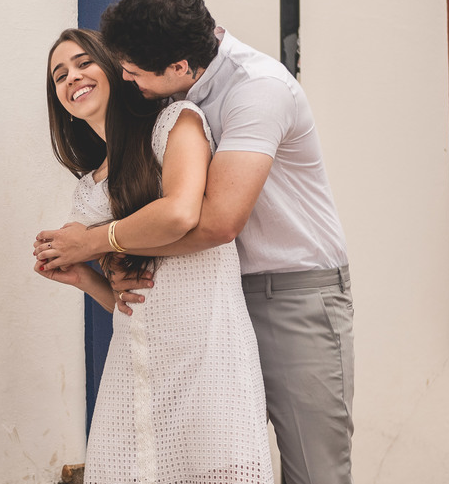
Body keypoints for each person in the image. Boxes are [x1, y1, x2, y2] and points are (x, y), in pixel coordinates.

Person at [36, 0, 354, 484]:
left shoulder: (254, 90)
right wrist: (109, 270)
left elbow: (215, 222)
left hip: (290, 291)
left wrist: (101, 242)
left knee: (313, 468)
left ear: (180, 68)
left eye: (133, 72)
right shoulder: (169, 101)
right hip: (216, 296)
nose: (124, 78)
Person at [35, 28, 272, 484]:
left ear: (114, 68)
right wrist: (86, 279)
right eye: (59, 75)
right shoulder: (88, 192)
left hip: (208, 357)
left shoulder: (175, 122)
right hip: (134, 373)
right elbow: (129, 304)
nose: (72, 78)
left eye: (84, 63)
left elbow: (181, 212)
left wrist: (92, 242)